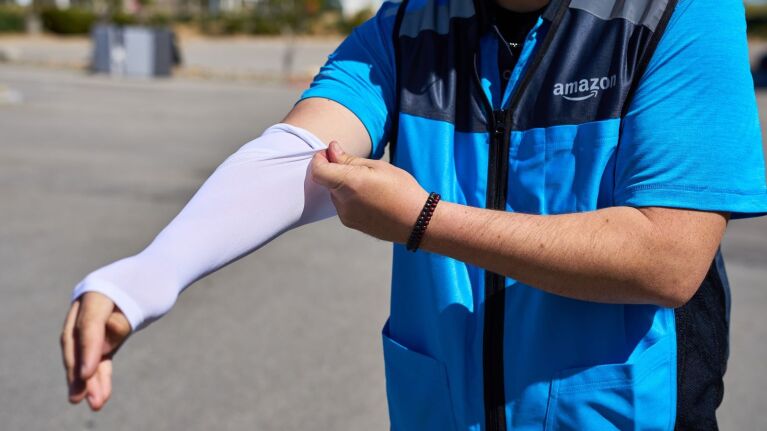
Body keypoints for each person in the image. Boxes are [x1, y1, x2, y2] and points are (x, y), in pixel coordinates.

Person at [60, 0, 767, 429]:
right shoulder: (411, 23)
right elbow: (298, 156)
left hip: (620, 417)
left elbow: (667, 257)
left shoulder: (677, 13)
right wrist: (146, 275)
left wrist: (426, 219)